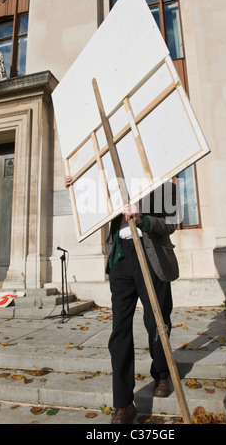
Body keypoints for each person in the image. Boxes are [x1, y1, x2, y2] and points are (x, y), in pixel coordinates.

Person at [65, 176, 179, 424]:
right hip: (121, 260)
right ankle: (123, 404)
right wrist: (79, 184)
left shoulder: (166, 187)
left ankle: (161, 373)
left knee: (157, 321)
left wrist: (143, 220)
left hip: (152, 258)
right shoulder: (111, 186)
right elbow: (89, 213)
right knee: (119, 330)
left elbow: (171, 224)